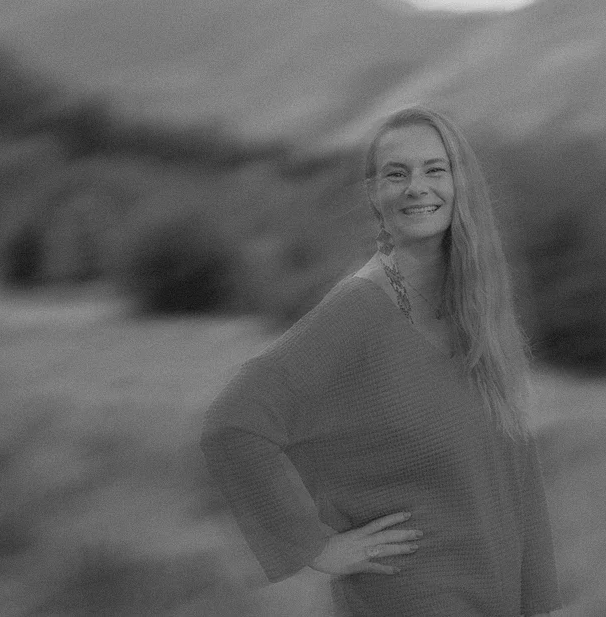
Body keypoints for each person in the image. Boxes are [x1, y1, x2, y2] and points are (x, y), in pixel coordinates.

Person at [200, 107, 563, 616]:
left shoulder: (478, 308)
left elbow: (516, 473)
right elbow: (234, 423)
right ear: (374, 193)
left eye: (435, 169)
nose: (417, 187)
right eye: (397, 174)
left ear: (460, 182)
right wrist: (316, 547)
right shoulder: (357, 311)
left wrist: (541, 605)